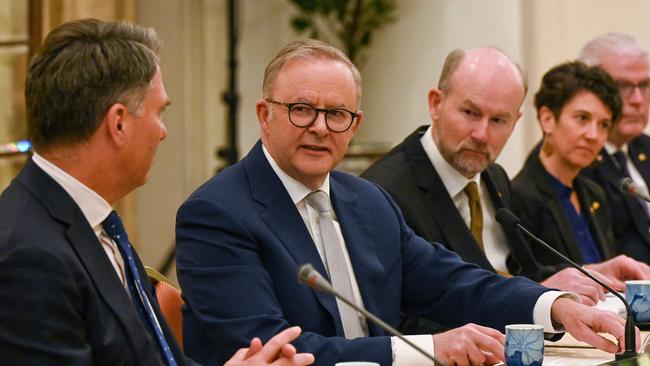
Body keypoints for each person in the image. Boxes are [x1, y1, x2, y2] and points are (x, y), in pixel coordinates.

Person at [175, 39, 631, 366]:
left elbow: (453, 282)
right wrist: (430, 348)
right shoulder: (217, 214)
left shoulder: (365, 200)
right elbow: (273, 349)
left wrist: (555, 305)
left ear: (354, 126)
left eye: (336, 114)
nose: (319, 127)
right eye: (301, 109)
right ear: (264, 114)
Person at [0, 19, 314, 366]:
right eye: (159, 112)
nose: (163, 132)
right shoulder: (29, 255)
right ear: (118, 123)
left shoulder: (93, 221)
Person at [361, 47, 649, 324]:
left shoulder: (493, 176)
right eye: (470, 113)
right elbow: (394, 317)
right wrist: (537, 300)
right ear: (436, 104)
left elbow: (513, 272)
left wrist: (587, 273)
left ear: (516, 122)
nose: (482, 135)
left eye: (499, 120)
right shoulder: (382, 191)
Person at [512, 61, 650, 285]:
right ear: (547, 119)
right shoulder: (520, 196)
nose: (593, 135)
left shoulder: (594, 193)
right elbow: (522, 280)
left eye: (604, 124)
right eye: (582, 118)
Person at [579, 33, 650, 263]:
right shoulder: (577, 159)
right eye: (622, 86)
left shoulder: (644, 147)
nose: (638, 99)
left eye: (645, 85)